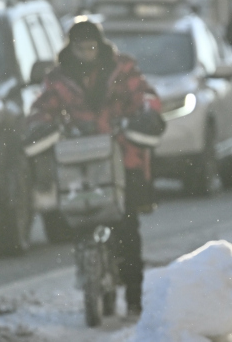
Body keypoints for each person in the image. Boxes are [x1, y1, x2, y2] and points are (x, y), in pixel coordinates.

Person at [27, 20, 164, 316]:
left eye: (91, 46)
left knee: (127, 227)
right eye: (80, 47)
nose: (86, 52)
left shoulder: (121, 69)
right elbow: (42, 107)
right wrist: (38, 126)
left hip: (122, 154)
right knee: (81, 217)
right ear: (71, 48)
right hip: (79, 160)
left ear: (99, 46)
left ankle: (134, 298)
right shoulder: (59, 78)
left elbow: (145, 95)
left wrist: (147, 116)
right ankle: (92, 276)